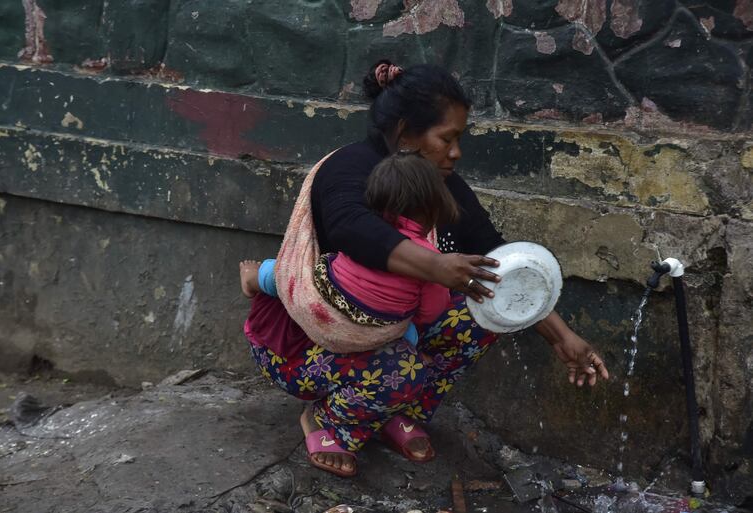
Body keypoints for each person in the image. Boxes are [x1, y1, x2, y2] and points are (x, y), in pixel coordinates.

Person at [239, 60, 610, 478]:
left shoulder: (442, 184)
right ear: (403, 132)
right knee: (403, 366)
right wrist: (436, 266)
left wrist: (564, 338)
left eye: (459, 139)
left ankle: (393, 409)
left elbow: (497, 262)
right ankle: (328, 420)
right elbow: (354, 230)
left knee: (485, 313)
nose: (456, 152)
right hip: (306, 346)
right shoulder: (347, 169)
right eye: (446, 138)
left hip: (390, 336)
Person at [242, 152, 459, 348]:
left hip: (323, 306)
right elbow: (432, 311)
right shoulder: (429, 259)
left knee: (289, 275)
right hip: (376, 330)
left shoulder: (364, 231)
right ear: (435, 207)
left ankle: (256, 277)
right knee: (410, 337)